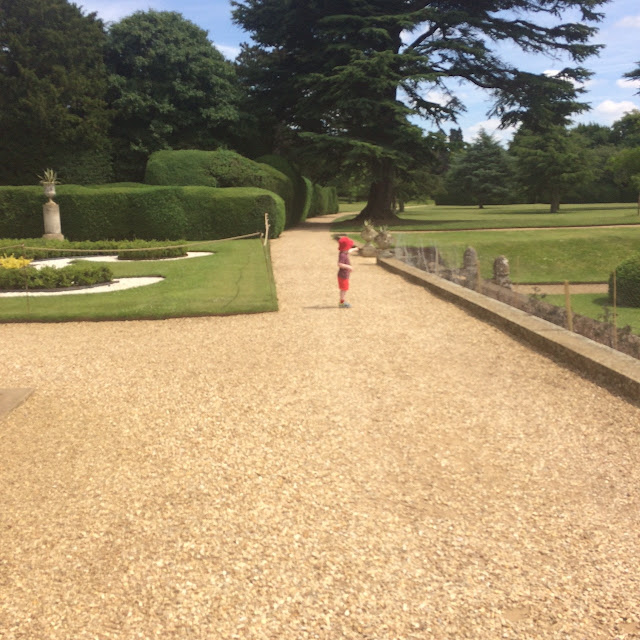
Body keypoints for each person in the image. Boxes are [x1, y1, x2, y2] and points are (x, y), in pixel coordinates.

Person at [337, 236, 356, 308]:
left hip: (344, 275)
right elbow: (339, 264)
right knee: (344, 289)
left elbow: (349, 251)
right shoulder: (342, 255)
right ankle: (342, 302)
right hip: (343, 275)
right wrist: (349, 267)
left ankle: (342, 301)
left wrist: (354, 249)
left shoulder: (344, 252)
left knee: (344, 289)